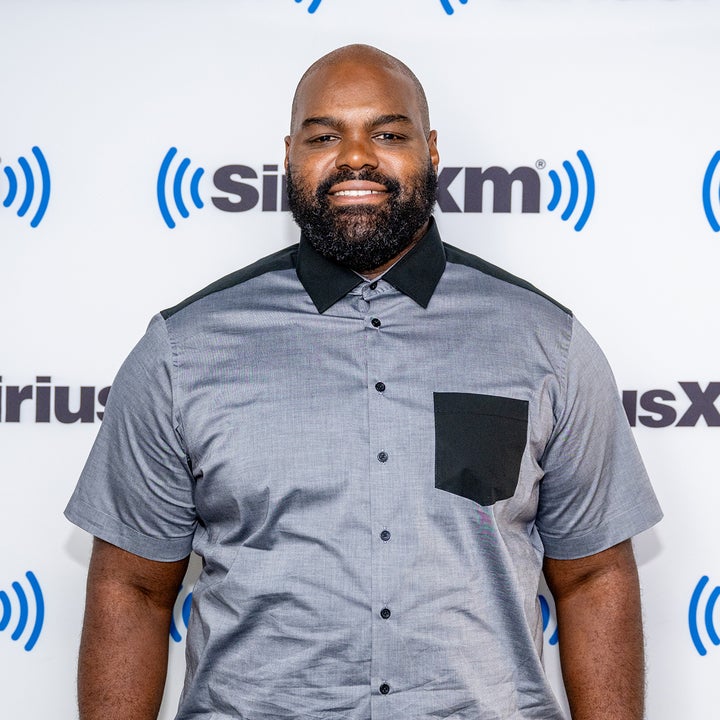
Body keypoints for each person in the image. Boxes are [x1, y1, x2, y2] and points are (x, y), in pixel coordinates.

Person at [65, 44, 662, 720]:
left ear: (431, 149)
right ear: (289, 155)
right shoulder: (182, 351)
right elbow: (133, 589)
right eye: (324, 135)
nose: (355, 156)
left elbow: (593, 577)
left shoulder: (545, 343)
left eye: (387, 133)